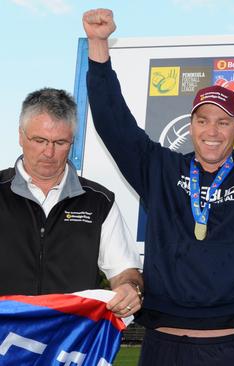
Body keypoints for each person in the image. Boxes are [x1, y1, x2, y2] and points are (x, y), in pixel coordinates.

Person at [82, 8, 234, 366]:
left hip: (233, 348)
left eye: (222, 122)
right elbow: (113, 123)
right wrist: (98, 45)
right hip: (162, 348)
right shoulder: (161, 170)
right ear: (192, 124)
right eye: (202, 121)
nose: (211, 132)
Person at [0, 87, 143, 318]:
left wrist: (130, 288)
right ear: (20, 135)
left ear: (73, 141)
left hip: (68, 345)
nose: (49, 152)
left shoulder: (99, 202)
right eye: (39, 140)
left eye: (60, 142)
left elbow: (125, 271)